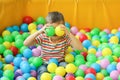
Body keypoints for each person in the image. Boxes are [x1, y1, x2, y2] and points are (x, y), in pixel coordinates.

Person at [24, 11, 83, 79]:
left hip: (60, 63)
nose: (55, 32)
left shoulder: (65, 38)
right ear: (46, 28)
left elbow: (80, 48)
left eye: (57, 29)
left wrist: (68, 33)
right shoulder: (43, 37)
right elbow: (26, 43)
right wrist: (39, 31)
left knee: (68, 71)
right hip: (45, 63)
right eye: (52, 28)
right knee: (42, 71)